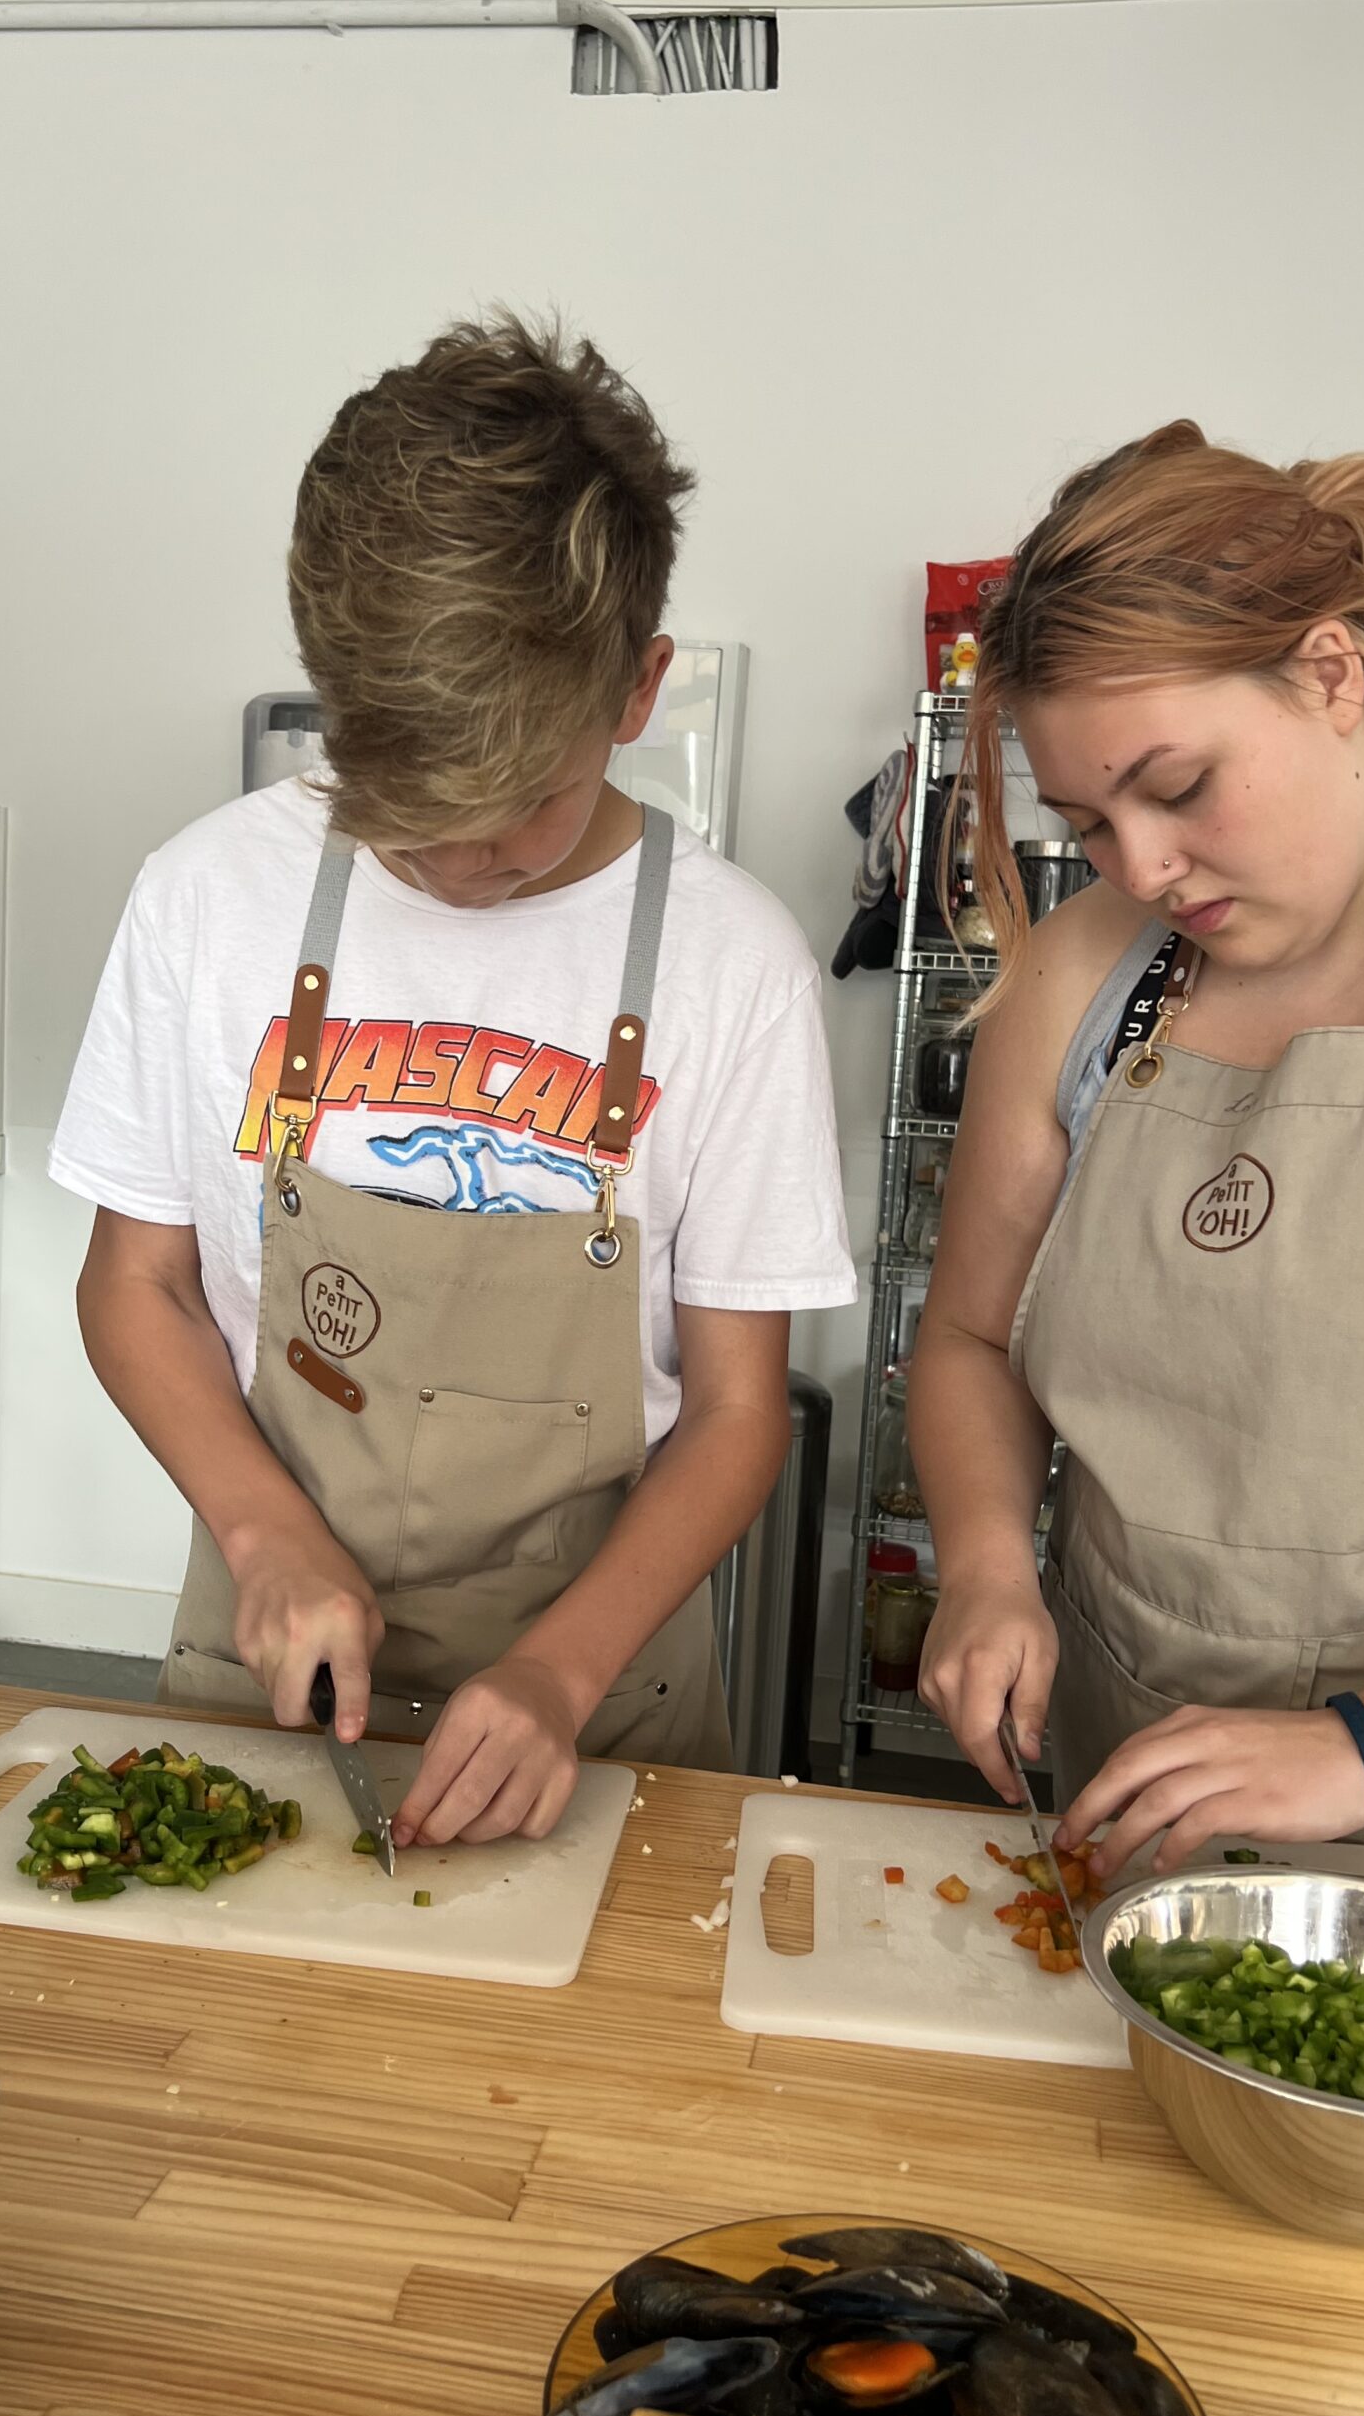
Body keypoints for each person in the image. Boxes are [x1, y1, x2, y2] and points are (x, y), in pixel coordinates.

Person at [51, 315, 854, 1850]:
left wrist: (560, 1667)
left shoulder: (731, 962)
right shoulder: (206, 898)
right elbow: (133, 1284)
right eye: (401, 807)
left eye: (519, 813)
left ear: (639, 691)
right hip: (261, 1662)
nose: (456, 866)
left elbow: (742, 1405)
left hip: (607, 1690)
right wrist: (265, 1529)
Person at [909, 420, 1364, 1880]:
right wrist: (983, 1565)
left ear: (1330, 673)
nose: (1145, 870)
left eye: (1179, 788)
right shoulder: (1088, 974)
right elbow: (974, 1335)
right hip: (1136, 1816)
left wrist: (1362, 1751)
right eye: (1089, 823)